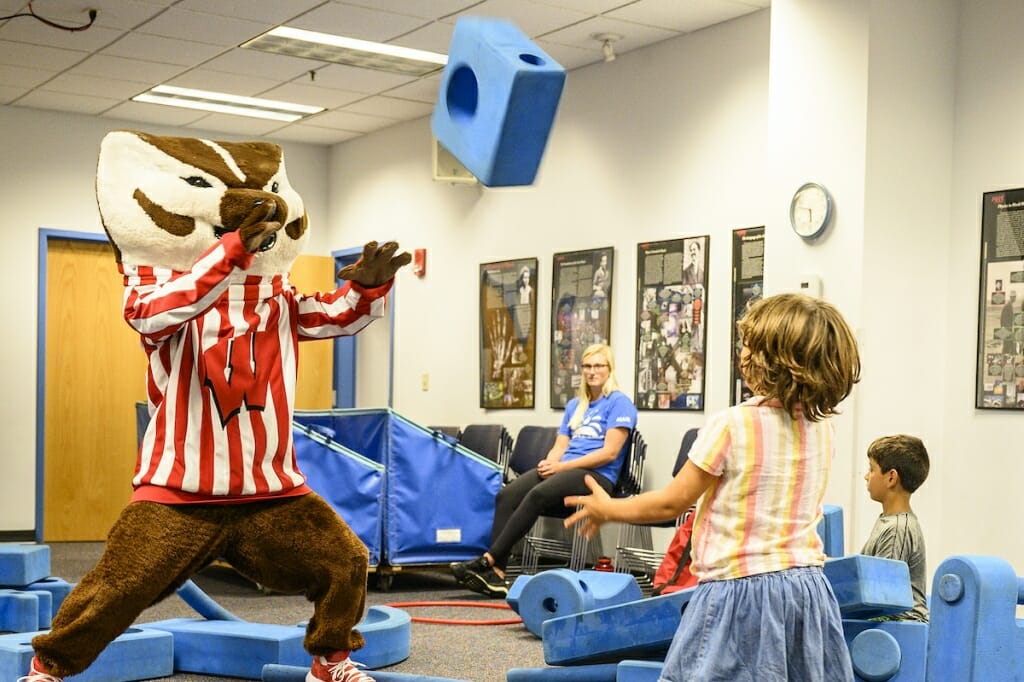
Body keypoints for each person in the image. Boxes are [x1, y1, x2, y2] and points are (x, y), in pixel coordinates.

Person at [565, 293, 861, 682]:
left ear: (770, 361)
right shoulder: (823, 430)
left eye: (750, 345)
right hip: (808, 590)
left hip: (739, 591)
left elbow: (671, 503)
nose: (742, 353)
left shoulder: (732, 425)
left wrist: (609, 509)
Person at [450, 343, 637, 597]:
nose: (592, 372)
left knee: (538, 495)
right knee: (506, 495)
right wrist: (551, 464)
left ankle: (488, 560)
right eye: (587, 366)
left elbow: (610, 453)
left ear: (609, 369)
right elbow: (561, 445)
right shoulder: (576, 405)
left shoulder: (619, 403)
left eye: (598, 366)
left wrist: (562, 467)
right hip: (566, 469)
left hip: (597, 477)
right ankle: (498, 575)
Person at [861, 434, 930, 622]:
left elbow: (884, 599)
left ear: (891, 477)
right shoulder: (889, 522)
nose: (866, 476)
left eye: (871, 469)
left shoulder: (898, 529)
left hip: (901, 631)